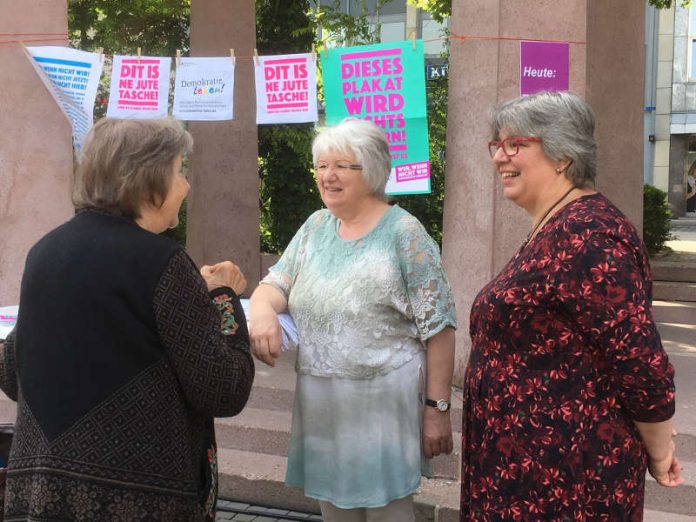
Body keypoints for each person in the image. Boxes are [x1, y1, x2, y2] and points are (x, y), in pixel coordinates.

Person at [0, 118, 254, 521]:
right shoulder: (162, 264)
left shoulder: (44, 253)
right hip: (138, 502)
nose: (185, 185)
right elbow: (222, 390)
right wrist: (223, 298)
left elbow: (13, 372)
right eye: (178, 170)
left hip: (42, 497)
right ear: (149, 179)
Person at [461, 91, 682, 521]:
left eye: (515, 145)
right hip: (524, 471)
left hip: (563, 480)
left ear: (562, 155)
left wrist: (661, 450)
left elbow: (640, 361)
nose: (499, 157)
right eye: (497, 145)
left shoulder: (591, 235)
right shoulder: (555, 225)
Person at [249, 118, 456, 522]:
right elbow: (275, 286)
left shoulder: (405, 233)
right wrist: (261, 311)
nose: (328, 176)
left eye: (343, 165)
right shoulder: (315, 227)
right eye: (322, 165)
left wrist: (437, 408)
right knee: (335, 512)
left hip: (382, 403)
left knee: (387, 514)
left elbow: (440, 328)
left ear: (373, 171)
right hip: (322, 402)